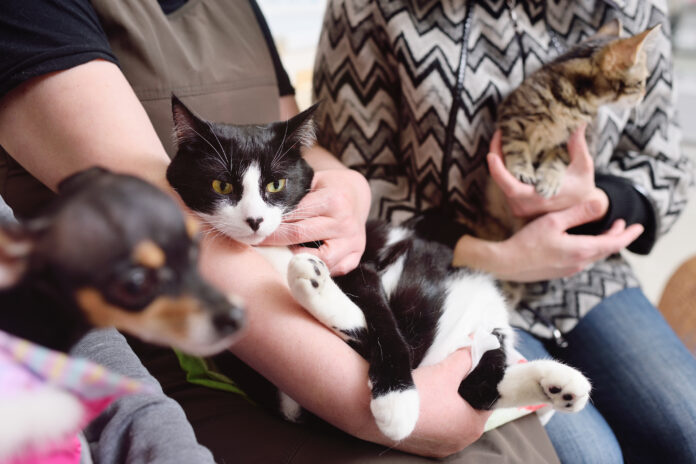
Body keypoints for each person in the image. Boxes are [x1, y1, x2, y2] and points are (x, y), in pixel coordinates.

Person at [0, 0, 558, 462]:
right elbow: (152, 210)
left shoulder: (239, 6)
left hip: (326, 304)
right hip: (188, 355)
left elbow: (299, 146)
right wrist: (384, 402)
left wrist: (347, 187)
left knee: (537, 441)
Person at [313, 0, 696, 462]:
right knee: (592, 457)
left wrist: (595, 202)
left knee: (687, 427)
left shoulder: (626, 8)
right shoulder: (368, 9)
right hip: (451, 279)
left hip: (586, 276)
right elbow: (355, 179)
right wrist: (500, 257)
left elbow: (666, 167)